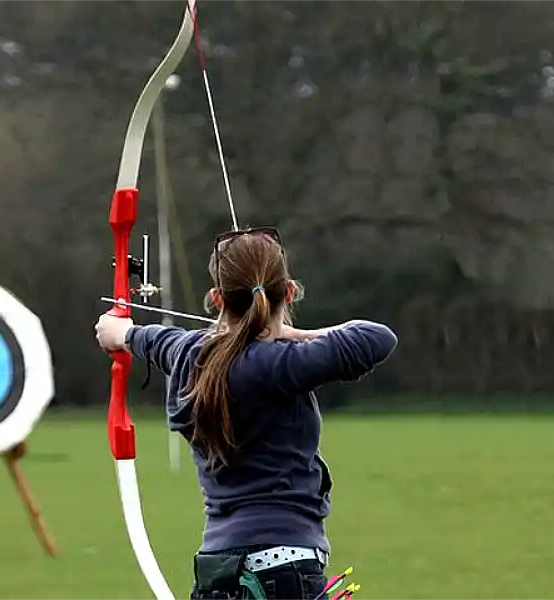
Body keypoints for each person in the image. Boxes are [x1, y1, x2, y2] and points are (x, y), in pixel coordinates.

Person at [95, 227, 398, 600]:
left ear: (216, 298)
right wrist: (296, 334)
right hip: (286, 567)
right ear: (288, 292)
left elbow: (140, 337)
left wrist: (121, 331)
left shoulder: (188, 353)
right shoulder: (280, 364)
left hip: (216, 568)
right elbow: (376, 337)